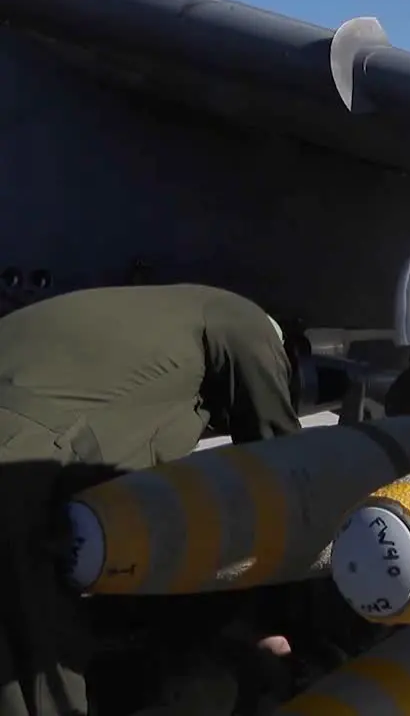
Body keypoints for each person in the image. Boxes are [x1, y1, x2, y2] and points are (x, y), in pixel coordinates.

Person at [0, 284, 303, 716]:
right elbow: (283, 465)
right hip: (17, 462)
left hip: (22, 442)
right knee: (38, 656)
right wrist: (283, 615)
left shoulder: (141, 315)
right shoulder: (244, 319)